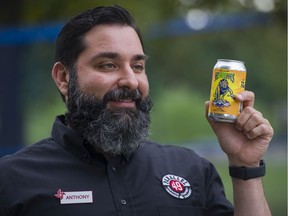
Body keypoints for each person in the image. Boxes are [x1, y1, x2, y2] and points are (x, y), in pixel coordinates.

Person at [0, 5, 274, 216]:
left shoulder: (191, 171)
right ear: (63, 78)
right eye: (108, 64)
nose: (131, 80)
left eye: (138, 66)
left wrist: (244, 164)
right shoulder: (12, 181)